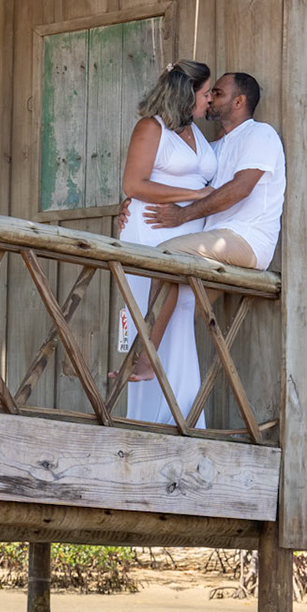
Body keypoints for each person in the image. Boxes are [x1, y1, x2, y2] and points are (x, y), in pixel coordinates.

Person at [115, 59, 216, 428]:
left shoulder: (196, 133)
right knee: (150, 314)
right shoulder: (150, 128)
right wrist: (193, 193)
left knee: (181, 322)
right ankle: (145, 421)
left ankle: (182, 420)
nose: (210, 100)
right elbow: (134, 184)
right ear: (187, 93)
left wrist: (198, 200)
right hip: (150, 230)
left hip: (184, 234)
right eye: (206, 93)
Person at [143, 71, 285, 271]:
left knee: (166, 253)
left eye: (217, 94)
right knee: (186, 300)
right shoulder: (212, 149)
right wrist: (136, 202)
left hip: (247, 238)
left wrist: (183, 215)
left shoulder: (261, 134)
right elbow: (183, 185)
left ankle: (139, 305)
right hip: (213, 237)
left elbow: (241, 188)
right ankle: (144, 305)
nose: (210, 99)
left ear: (238, 102)